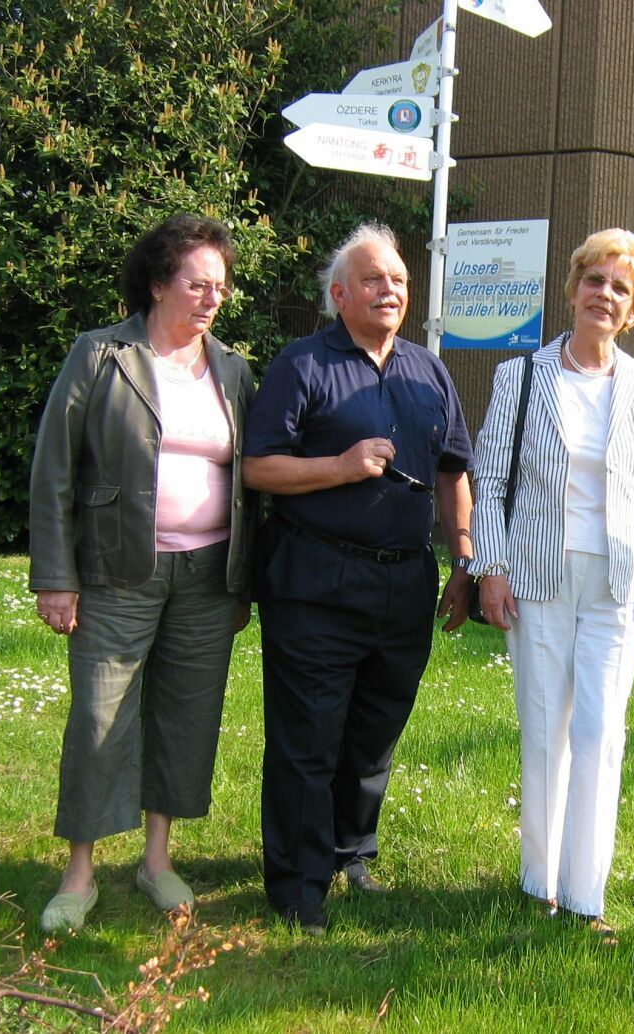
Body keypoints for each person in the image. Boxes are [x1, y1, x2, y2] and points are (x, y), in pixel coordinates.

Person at [243, 223, 474, 933]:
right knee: (307, 737)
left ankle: (352, 852)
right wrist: (339, 467)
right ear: (338, 293)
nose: (390, 290)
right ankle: (298, 887)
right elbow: (258, 466)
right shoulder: (303, 364)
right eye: (374, 279)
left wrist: (464, 560)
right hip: (315, 577)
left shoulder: (427, 371)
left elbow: (451, 473)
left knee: (375, 731)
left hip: (404, 584)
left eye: (399, 280)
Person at [29, 213, 255, 932]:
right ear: (159, 283)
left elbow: (251, 479)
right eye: (197, 283)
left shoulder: (235, 369)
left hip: (209, 575)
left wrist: (245, 578)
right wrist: (55, 577)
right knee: (100, 716)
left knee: (186, 716)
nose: (212, 298)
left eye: (220, 286)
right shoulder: (100, 356)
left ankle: (157, 860)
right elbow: (54, 470)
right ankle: (80, 871)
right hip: (116, 570)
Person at [471, 228, 634, 939]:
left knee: (599, 732)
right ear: (573, 288)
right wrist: (489, 568)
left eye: (621, 288)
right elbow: (489, 481)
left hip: (615, 587)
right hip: (536, 580)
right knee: (544, 732)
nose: (605, 295)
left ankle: (585, 893)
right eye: (595, 280)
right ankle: (540, 883)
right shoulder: (520, 378)